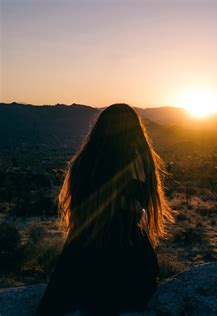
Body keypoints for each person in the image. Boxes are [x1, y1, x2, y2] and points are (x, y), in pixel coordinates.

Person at [36, 104, 174, 315]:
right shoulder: (138, 160)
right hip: (129, 260)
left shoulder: (85, 162)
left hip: (83, 258)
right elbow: (141, 203)